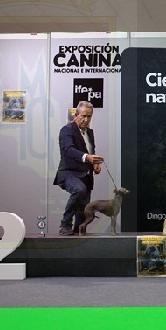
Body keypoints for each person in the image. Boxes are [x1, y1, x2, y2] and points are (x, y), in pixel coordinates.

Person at [53, 101, 105, 235]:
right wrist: (87, 157)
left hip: (86, 175)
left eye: (89, 116)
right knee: (79, 190)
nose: (86, 119)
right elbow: (68, 150)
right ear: (76, 115)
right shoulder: (66, 130)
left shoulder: (90, 133)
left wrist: (95, 164)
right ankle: (64, 225)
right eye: (83, 116)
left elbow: (91, 151)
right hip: (68, 173)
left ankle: (79, 231)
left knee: (84, 208)